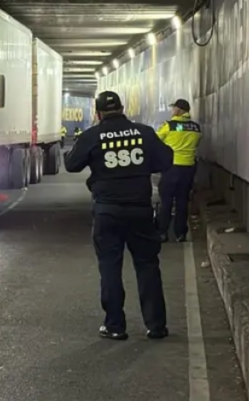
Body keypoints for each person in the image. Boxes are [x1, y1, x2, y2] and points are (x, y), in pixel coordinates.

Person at [65, 90, 174, 341]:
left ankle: (115, 326)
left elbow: (72, 165)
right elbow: (165, 160)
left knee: (110, 268)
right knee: (147, 265)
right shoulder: (144, 132)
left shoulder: (92, 135)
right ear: (123, 108)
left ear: (97, 112)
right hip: (139, 209)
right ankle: (156, 326)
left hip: (107, 211)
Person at [155, 99, 202, 242]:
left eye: (173, 108)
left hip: (171, 167)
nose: (172, 111)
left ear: (180, 110)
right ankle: (180, 233)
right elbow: (197, 144)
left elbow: (156, 140)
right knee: (182, 201)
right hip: (188, 168)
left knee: (166, 201)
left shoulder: (169, 126)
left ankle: (162, 232)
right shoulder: (196, 128)